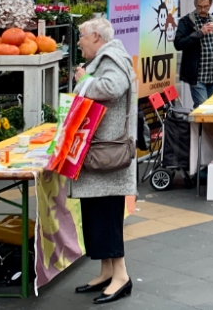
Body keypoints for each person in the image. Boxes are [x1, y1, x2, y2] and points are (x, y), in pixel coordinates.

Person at [72, 17, 138, 303]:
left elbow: (112, 88)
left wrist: (83, 81)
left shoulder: (111, 57)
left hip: (105, 152)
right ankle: (107, 271)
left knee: (106, 213)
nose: (78, 42)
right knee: (97, 212)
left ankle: (121, 276)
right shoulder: (109, 55)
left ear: (96, 37)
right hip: (101, 150)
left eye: (81, 37)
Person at [174, 0, 213, 108]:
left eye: (206, 6)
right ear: (195, 4)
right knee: (203, 108)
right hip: (197, 75)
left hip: (212, 74)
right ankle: (197, 127)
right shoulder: (186, 21)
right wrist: (200, 33)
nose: (202, 9)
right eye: (199, 6)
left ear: (211, 4)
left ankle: (201, 127)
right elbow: (178, 44)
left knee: (211, 110)